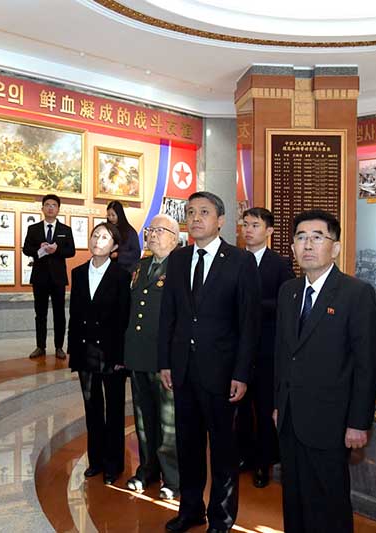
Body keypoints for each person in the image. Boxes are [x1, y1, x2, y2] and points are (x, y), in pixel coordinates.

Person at [272, 209, 376, 533]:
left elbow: (366, 363)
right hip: (291, 416)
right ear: (292, 247)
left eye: (317, 237)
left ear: (335, 247)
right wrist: (278, 404)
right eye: (301, 237)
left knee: (329, 501)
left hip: (332, 420)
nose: (308, 245)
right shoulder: (289, 291)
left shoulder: (356, 293)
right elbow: (283, 354)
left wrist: (358, 422)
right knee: (293, 497)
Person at [159, 191, 260, 533]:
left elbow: (249, 323)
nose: (196, 218)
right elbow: (168, 315)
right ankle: (191, 510)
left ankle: (221, 518)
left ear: (221, 220)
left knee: (223, 450)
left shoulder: (240, 261)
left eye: (204, 212)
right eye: (191, 212)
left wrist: (241, 373)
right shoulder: (177, 259)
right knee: (187, 445)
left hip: (222, 373)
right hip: (183, 370)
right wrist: (165, 362)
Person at [235, 207, 294, 488]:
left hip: (267, 348)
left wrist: (252, 305)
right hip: (237, 349)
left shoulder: (279, 264)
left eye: (255, 225)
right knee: (240, 408)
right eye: (245, 224)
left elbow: (287, 302)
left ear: (269, 231)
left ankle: (264, 461)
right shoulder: (233, 260)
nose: (248, 230)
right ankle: (244, 455)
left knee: (265, 407)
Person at [67, 222, 131, 485]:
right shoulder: (78, 272)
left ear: (114, 246)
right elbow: (74, 315)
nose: (97, 241)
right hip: (85, 352)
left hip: (111, 354)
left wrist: (121, 358)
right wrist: (73, 351)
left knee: (114, 411)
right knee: (92, 409)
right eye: (95, 235)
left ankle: (113, 464)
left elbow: (124, 319)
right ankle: (95, 461)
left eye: (104, 237)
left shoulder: (121, 276)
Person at [124, 214, 181, 500]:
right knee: (143, 419)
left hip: (165, 359)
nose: (152, 235)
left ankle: (172, 478)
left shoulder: (180, 268)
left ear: (175, 238)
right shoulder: (141, 266)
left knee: (168, 423)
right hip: (138, 354)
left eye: (159, 230)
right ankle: (147, 470)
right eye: (150, 230)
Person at [22, 194, 75, 359]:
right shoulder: (33, 229)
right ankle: (40, 347)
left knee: (59, 314)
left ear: (58, 209)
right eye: (47, 205)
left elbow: (71, 251)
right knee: (40, 314)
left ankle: (59, 347)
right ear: (42, 208)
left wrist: (57, 250)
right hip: (39, 277)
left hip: (58, 278)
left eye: (54, 205)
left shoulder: (65, 230)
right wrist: (39, 248)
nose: (50, 208)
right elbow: (26, 249)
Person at [106, 200, 140, 272]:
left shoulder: (129, 231)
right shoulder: (106, 229)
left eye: (113, 215)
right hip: (108, 268)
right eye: (108, 215)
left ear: (119, 214)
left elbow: (136, 253)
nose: (110, 218)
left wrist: (118, 255)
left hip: (124, 269)